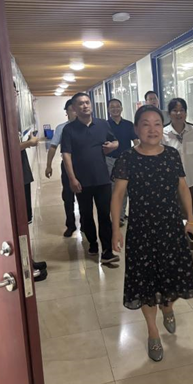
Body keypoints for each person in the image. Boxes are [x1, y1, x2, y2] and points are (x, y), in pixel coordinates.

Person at [111, 105, 193, 362]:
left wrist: (190, 220)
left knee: (172, 276)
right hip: (141, 231)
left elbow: (183, 188)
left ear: (163, 128)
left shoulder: (171, 155)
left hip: (170, 228)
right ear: (136, 129)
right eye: (146, 124)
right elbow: (118, 196)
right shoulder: (127, 158)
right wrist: (116, 229)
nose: (152, 129)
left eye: (157, 124)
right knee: (145, 282)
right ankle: (152, 332)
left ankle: (168, 307)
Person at [61, 92, 120, 263]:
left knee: (104, 214)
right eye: (80, 103)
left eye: (87, 102)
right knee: (86, 214)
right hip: (82, 180)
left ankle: (107, 251)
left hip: (102, 178)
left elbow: (115, 141)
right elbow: (66, 155)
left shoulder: (102, 124)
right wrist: (72, 179)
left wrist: (112, 146)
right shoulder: (69, 129)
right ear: (74, 108)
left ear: (91, 105)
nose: (85, 106)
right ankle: (93, 243)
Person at [162, 98, 193, 238]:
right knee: (177, 206)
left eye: (181, 110)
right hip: (173, 178)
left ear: (186, 113)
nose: (178, 113)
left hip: (192, 175)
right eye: (175, 110)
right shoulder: (163, 133)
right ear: (169, 113)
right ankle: (179, 232)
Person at [45, 99, 79, 237]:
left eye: (76, 110)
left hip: (85, 166)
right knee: (68, 196)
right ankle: (70, 225)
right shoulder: (61, 128)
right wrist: (48, 165)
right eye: (72, 110)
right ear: (67, 112)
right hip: (67, 166)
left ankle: (85, 224)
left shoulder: (86, 126)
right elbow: (53, 147)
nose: (75, 113)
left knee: (85, 196)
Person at [19, 131, 48, 281]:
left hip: (22, 176)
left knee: (24, 222)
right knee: (19, 224)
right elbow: (7, 148)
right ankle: (25, 268)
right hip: (16, 178)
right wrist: (29, 143)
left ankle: (28, 261)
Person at [106, 98, 139, 226]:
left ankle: (121, 214)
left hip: (127, 160)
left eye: (117, 106)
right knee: (114, 189)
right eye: (112, 107)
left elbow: (135, 141)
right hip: (110, 160)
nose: (115, 109)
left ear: (121, 108)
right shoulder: (105, 125)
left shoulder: (128, 124)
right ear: (108, 109)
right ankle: (116, 215)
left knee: (125, 189)